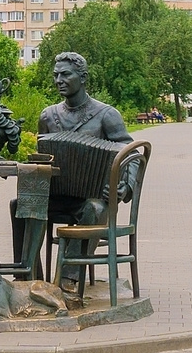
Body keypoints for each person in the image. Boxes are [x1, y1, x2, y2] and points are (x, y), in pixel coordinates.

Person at [31, 52, 140, 288]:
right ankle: (28, 277)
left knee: (93, 209)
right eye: (56, 75)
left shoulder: (106, 115)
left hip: (93, 199)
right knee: (21, 204)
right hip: (58, 196)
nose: (59, 80)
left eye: (65, 74)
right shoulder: (48, 116)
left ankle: (68, 282)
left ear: (83, 77)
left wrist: (126, 185)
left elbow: (131, 155)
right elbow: (41, 156)